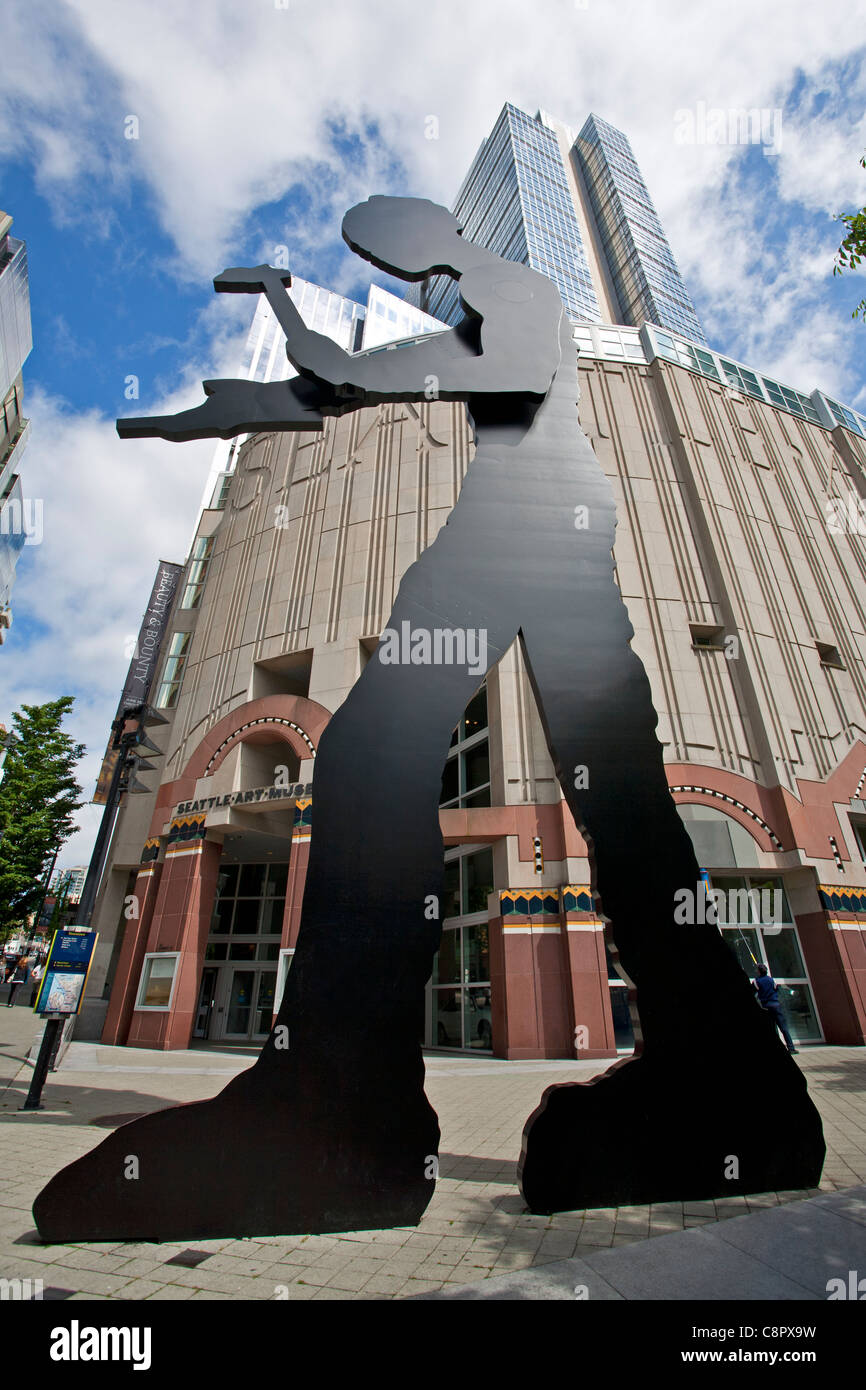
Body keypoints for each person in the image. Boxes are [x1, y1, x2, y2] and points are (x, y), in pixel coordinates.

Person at [34, 196, 824, 1243]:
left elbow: (465, 374)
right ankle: (720, 1070)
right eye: (369, 250)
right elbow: (339, 382)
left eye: (387, 240)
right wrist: (217, 407)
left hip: (528, 520)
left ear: (429, 235)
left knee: (379, 754)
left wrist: (353, 377)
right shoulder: (472, 316)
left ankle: (342, 1103)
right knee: (611, 791)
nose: (388, 259)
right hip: (534, 518)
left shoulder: (515, 290)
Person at [754, 964, 798, 1054]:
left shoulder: (756, 981)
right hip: (776, 1006)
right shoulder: (771, 980)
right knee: (784, 1028)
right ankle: (791, 1048)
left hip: (766, 1008)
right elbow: (776, 989)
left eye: (756, 970)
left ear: (758, 971)